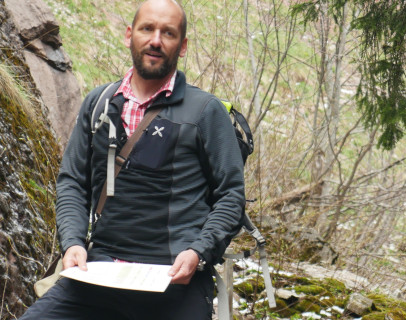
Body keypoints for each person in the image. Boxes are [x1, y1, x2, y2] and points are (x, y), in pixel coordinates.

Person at [21, 1, 245, 319]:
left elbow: (231, 196)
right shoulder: (98, 103)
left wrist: (198, 251)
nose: (156, 40)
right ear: (129, 35)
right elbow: (73, 181)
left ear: (182, 47)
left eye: (168, 33)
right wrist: (72, 242)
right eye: (147, 29)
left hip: (176, 281)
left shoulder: (205, 112)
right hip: (98, 272)